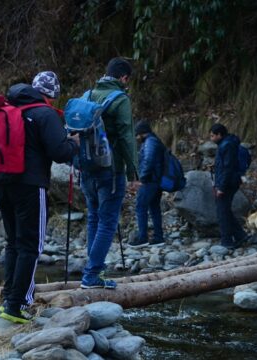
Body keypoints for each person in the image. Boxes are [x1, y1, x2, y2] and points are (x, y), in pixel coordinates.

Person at [0, 71, 80, 323]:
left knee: (13, 242)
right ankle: (17, 305)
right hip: (31, 186)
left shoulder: (9, 108)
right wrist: (74, 142)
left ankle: (8, 298)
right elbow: (60, 152)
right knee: (30, 246)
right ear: (52, 96)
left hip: (3, 183)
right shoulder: (44, 114)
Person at [80, 57, 139, 289]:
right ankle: (92, 275)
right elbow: (126, 136)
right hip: (111, 170)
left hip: (87, 168)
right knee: (107, 221)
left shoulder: (88, 95)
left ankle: (91, 273)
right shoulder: (120, 99)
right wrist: (134, 172)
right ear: (124, 78)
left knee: (94, 217)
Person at [210, 123, 248, 249]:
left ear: (219, 135)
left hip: (228, 183)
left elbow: (227, 168)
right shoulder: (228, 143)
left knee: (222, 212)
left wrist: (221, 187)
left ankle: (227, 241)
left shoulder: (227, 145)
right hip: (231, 181)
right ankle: (240, 235)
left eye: (213, 136)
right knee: (225, 210)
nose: (211, 139)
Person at [130, 120, 166, 246]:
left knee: (141, 207)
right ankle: (158, 237)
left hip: (149, 181)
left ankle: (143, 238)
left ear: (142, 133)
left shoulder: (150, 143)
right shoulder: (154, 141)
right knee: (154, 208)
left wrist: (142, 179)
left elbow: (148, 161)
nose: (136, 137)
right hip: (156, 180)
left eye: (137, 134)